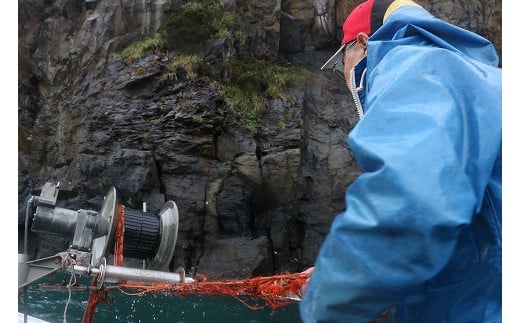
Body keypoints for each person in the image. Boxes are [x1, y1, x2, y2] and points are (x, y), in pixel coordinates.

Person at [299, 0, 502, 322]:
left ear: (364, 43)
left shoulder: (415, 67)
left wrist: (329, 300)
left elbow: (412, 205)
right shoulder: (483, 78)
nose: (345, 74)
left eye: (342, 61)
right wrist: (352, 275)